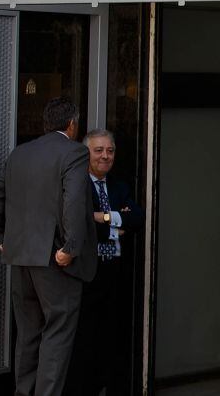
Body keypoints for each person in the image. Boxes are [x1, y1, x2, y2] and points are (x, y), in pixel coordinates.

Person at [0, 97, 98, 396]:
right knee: (57, 335)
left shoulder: (20, 153)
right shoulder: (74, 152)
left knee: (28, 335)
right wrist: (71, 247)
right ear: (72, 124)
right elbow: (74, 201)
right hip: (54, 260)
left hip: (20, 256)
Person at [64, 129, 143, 396]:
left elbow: (138, 219)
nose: (105, 156)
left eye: (109, 151)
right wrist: (116, 220)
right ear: (86, 153)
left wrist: (104, 218)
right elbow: (81, 225)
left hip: (116, 275)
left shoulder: (119, 185)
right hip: (86, 277)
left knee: (112, 340)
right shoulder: (76, 185)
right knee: (84, 341)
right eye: (98, 150)